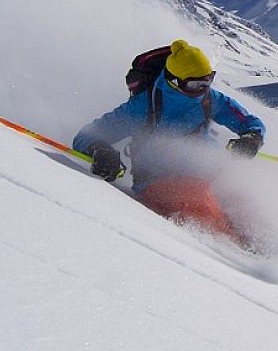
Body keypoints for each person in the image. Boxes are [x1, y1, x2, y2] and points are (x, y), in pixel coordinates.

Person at [73, 39, 266, 239]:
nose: (202, 88)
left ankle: (275, 248)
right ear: (173, 81)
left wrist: (252, 137)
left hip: (207, 175)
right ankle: (240, 256)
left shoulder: (210, 98)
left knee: (248, 204)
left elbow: (248, 121)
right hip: (157, 180)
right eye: (194, 83)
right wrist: (100, 150)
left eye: (207, 80)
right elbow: (85, 136)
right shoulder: (142, 106)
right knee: (201, 205)